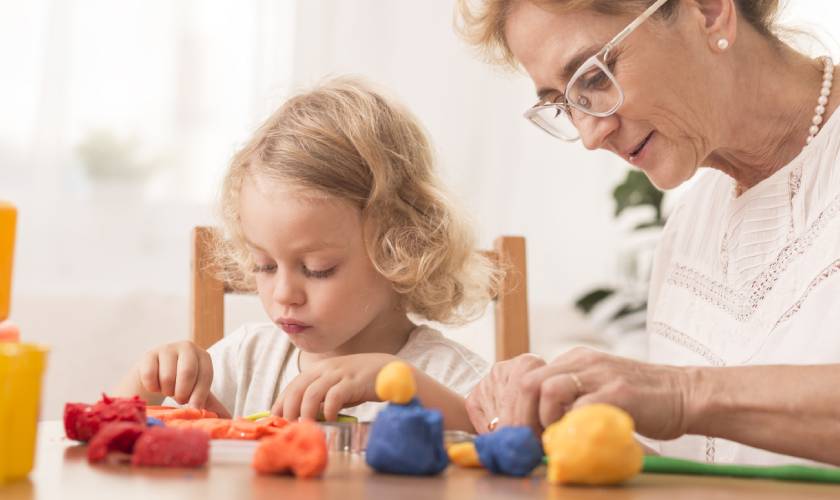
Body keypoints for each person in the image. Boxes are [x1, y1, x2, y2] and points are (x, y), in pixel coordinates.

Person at [457, 0, 840, 465]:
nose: (589, 136)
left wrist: (681, 394)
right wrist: (561, 425)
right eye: (562, 105)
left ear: (710, 11)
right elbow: (695, 466)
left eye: (594, 77)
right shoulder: (687, 233)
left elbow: (683, 401)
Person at [116, 77, 501, 431]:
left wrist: (399, 383)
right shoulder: (244, 359)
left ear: (400, 248)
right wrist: (146, 383)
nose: (284, 294)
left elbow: (515, 458)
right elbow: (101, 440)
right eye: (264, 265)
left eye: (318, 269)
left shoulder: (451, 379)